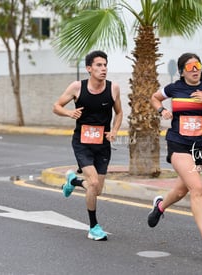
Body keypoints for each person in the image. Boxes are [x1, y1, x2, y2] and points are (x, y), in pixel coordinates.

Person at [148, 53, 202, 256]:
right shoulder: (174, 88)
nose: (195, 70)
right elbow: (154, 98)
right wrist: (161, 111)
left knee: (182, 191)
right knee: (197, 188)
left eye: (198, 65)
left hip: (200, 147)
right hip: (178, 144)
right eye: (190, 67)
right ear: (182, 71)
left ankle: (160, 206)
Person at [53, 50, 123, 241]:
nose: (103, 69)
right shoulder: (77, 87)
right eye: (99, 65)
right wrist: (69, 114)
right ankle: (93, 227)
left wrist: (115, 130)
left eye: (105, 65)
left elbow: (119, 113)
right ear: (89, 69)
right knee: (92, 183)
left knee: (97, 189)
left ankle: (73, 181)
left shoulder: (113, 88)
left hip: (102, 144)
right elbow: (56, 106)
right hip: (82, 142)